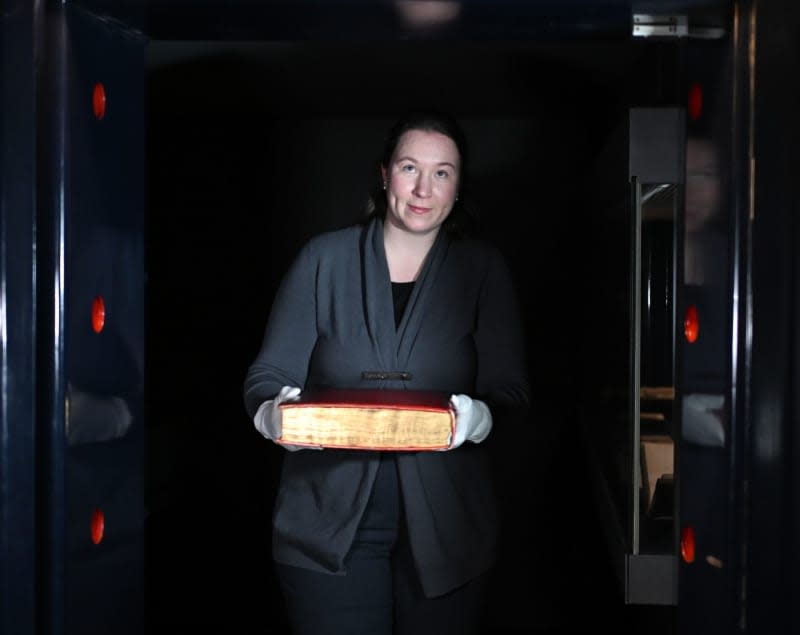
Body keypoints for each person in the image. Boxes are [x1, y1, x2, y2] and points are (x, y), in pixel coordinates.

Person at [242, 110, 530, 635]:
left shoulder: (483, 269)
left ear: (459, 185)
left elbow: (510, 390)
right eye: (409, 168)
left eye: (442, 172)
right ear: (384, 174)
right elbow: (268, 372)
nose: (423, 188)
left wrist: (482, 417)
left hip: (451, 530)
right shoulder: (321, 259)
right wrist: (270, 413)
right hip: (323, 525)